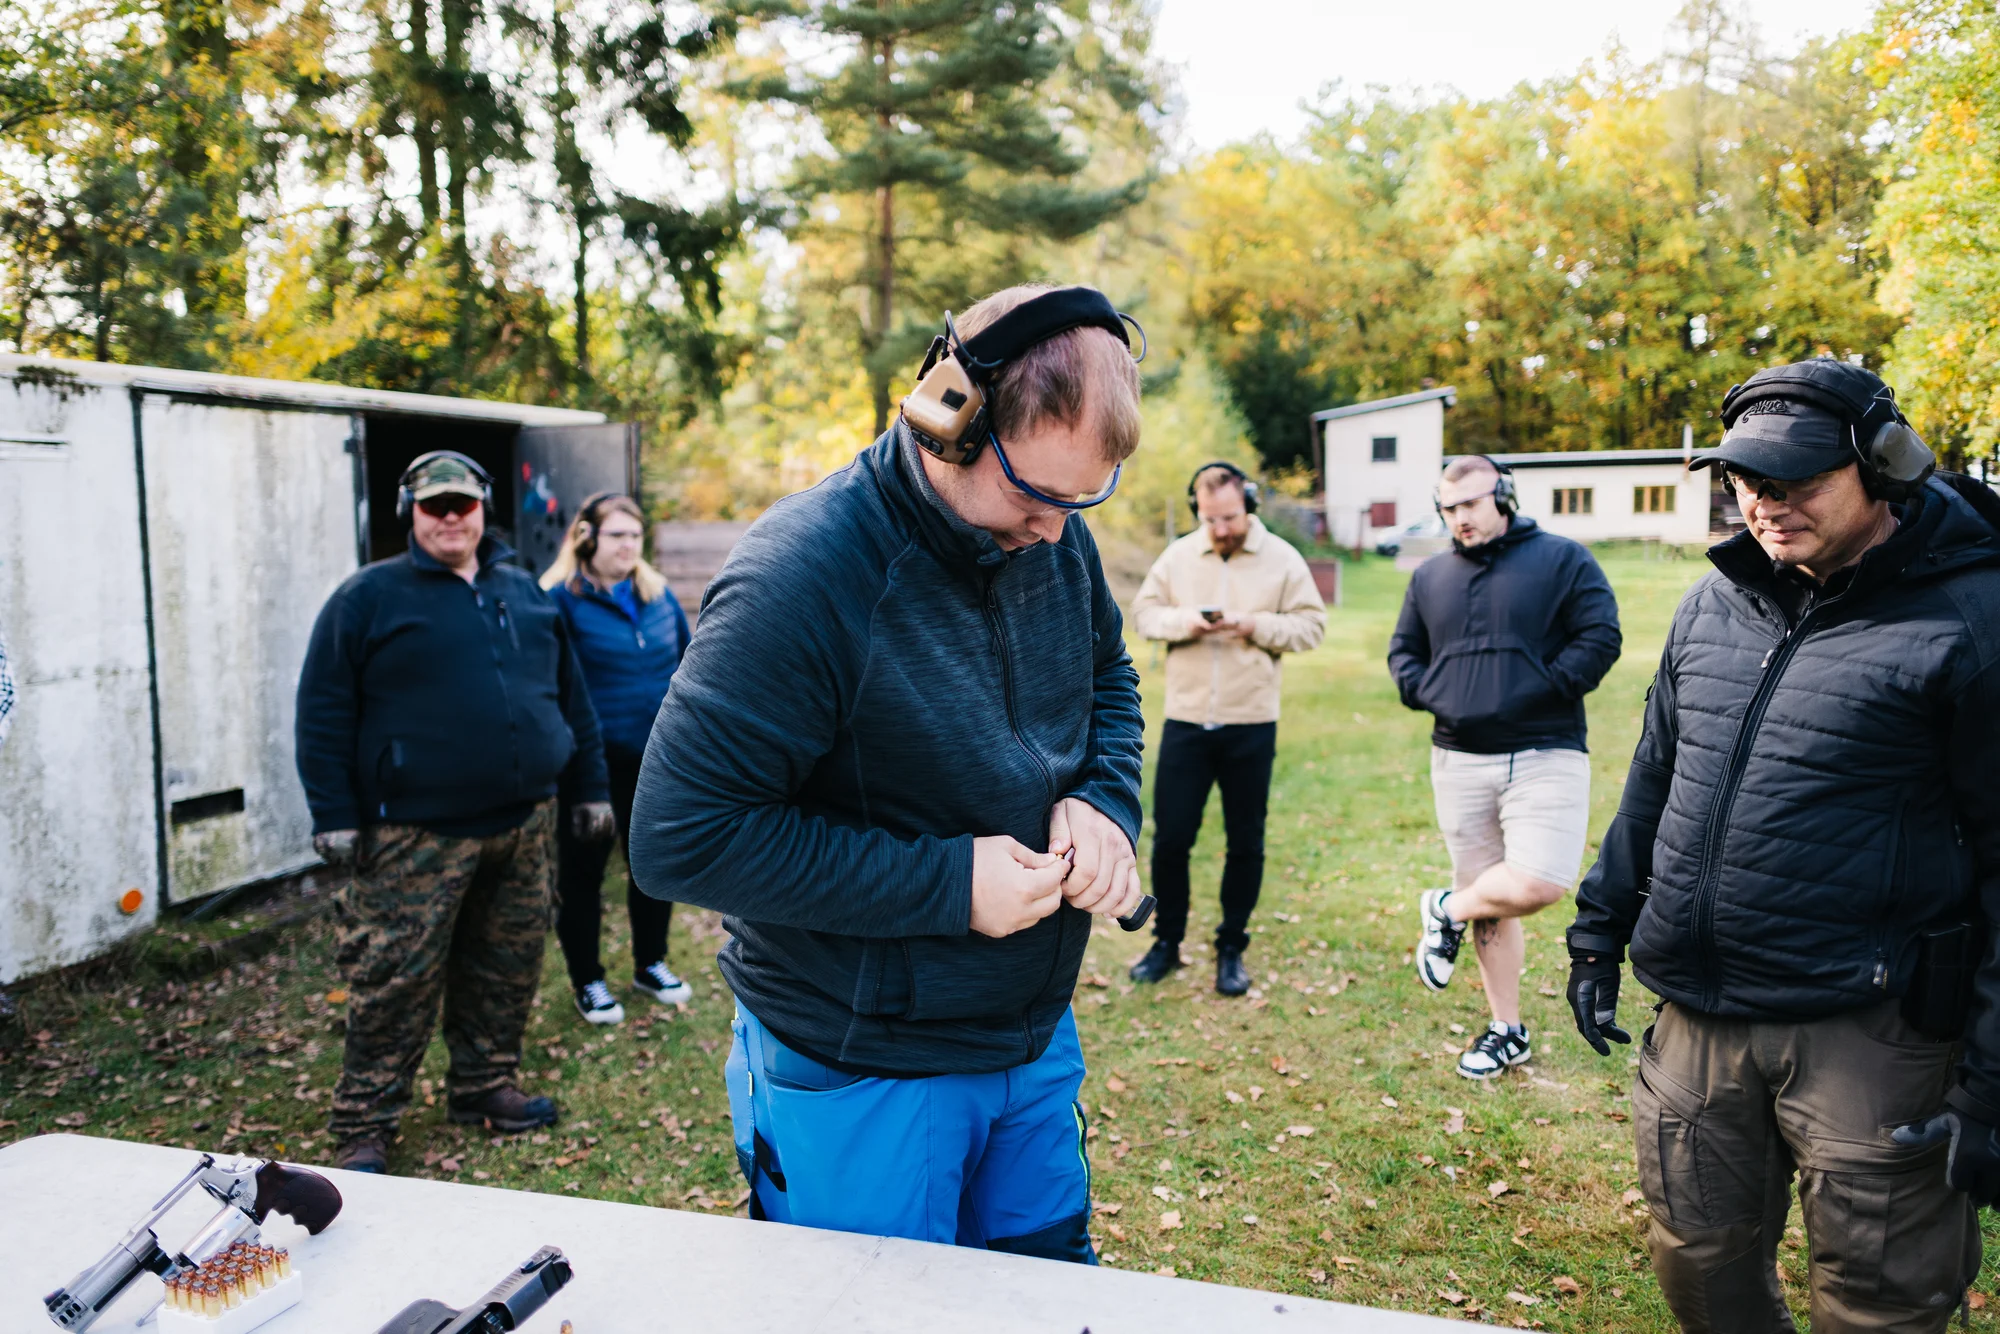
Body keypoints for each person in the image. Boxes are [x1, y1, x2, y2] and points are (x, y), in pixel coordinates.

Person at [629, 284, 1147, 1261]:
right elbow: (680, 838)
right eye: (1035, 496)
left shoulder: (1052, 532)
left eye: (1081, 499)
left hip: (1030, 1037)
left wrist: (1102, 800)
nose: (1054, 530)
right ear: (949, 417)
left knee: (1046, 1294)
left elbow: (1107, 674)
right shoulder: (803, 575)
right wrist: (949, 884)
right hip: (861, 1063)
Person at [1567, 360, 2000, 1333]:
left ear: (1882, 466)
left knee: (1877, 1300)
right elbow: (1656, 777)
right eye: (1747, 478)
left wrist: (1991, 1082)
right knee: (1699, 1265)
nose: (1765, 502)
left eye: (1796, 477)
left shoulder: (1974, 618)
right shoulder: (1709, 604)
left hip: (1873, 1027)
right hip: (1699, 1017)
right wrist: (1598, 932)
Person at [296, 450, 613, 1175]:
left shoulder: (523, 591)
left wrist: (591, 787)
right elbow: (323, 709)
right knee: (394, 979)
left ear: (481, 510)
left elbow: (572, 699)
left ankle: (484, 1086)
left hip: (524, 824)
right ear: (409, 512)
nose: (448, 518)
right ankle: (365, 1123)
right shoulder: (366, 598)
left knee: (506, 965)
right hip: (414, 832)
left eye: (461, 504)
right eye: (433, 506)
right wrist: (333, 811)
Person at [1391, 455, 1621, 1079]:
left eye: (1470, 503)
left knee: (1540, 882)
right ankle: (1506, 1030)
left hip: (1546, 750)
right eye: (1448, 507)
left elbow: (1600, 636)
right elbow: (1404, 652)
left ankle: (1445, 908)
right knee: (1487, 897)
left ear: (1505, 495)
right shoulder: (1430, 575)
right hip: (1458, 756)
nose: (1459, 517)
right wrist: (1433, 692)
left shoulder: (1562, 559)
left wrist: (1542, 689)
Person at [1127, 462, 1326, 994]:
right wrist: (1185, 622)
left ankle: (1231, 948)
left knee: (1245, 843)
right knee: (1171, 840)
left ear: (1250, 505)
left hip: (1250, 723)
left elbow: (1312, 627)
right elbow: (1144, 614)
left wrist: (1253, 625)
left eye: (1230, 517)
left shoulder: (1283, 559)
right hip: (1186, 722)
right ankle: (1166, 942)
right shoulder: (1178, 556)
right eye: (1210, 519)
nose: (1219, 529)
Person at [540, 492, 695, 1025]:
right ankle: (588, 980)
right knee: (582, 875)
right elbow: (551, 684)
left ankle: (650, 964)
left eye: (634, 535)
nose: (628, 545)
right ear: (586, 538)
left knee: (651, 866)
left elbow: (688, 663)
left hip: (655, 761)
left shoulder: (658, 596)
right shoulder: (559, 601)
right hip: (590, 767)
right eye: (617, 535)